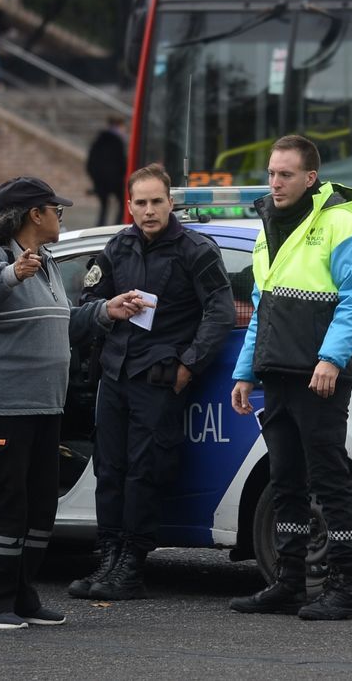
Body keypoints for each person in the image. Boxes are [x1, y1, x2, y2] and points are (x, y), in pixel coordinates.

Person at [0, 176, 132, 630]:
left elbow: (60, 323)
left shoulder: (46, 263)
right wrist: (11, 274)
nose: (59, 216)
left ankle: (21, 596)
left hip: (43, 407)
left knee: (36, 510)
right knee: (1, 506)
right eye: (56, 209)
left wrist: (105, 312)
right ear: (35, 214)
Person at [227, 134, 352, 621]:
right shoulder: (267, 224)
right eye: (271, 172)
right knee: (285, 480)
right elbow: (262, 308)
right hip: (278, 373)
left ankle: (341, 589)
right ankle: (289, 583)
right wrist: (245, 371)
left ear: (310, 178)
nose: (275, 182)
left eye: (285, 174)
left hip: (320, 377)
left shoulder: (340, 224)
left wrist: (331, 359)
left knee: (330, 482)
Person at [68, 163, 233, 601]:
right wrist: (110, 307)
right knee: (110, 470)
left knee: (145, 471)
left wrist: (189, 366)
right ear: (129, 206)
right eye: (140, 203)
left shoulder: (195, 249)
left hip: (159, 376)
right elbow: (88, 300)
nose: (148, 210)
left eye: (156, 201)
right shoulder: (117, 246)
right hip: (116, 372)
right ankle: (109, 557)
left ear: (170, 203)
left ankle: (132, 566)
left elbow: (220, 312)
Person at [86, 115, 128, 225]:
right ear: (118, 126)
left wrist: (95, 178)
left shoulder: (98, 140)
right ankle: (118, 226)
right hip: (116, 181)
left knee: (104, 206)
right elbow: (122, 162)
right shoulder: (118, 142)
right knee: (123, 203)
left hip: (100, 181)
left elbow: (90, 163)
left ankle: (100, 226)